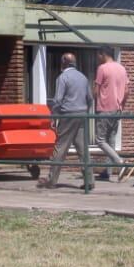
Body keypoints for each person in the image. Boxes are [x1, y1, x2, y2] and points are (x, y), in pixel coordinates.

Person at [39, 52, 93, 190]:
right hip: (82, 115)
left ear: (64, 62)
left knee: (60, 147)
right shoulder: (83, 77)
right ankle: (89, 181)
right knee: (83, 149)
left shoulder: (63, 77)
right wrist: (85, 111)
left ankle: (52, 181)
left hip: (68, 115)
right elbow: (90, 98)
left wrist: (53, 117)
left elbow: (57, 100)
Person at [92, 46, 128, 181]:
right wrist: (121, 105)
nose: (97, 59)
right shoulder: (122, 68)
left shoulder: (102, 68)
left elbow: (96, 90)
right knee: (111, 139)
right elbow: (127, 90)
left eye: (98, 56)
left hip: (105, 108)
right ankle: (108, 172)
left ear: (102, 54)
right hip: (117, 109)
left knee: (100, 140)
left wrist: (93, 99)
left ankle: (120, 162)